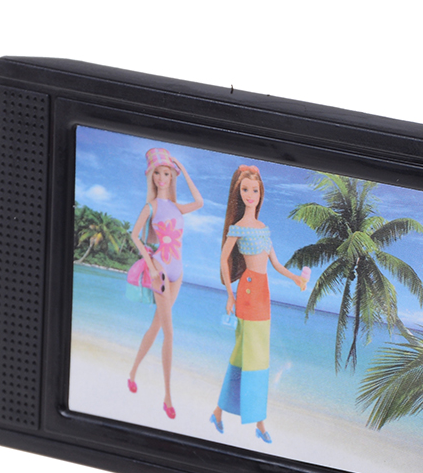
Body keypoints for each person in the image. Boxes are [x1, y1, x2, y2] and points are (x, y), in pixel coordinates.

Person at [210, 165, 306, 443]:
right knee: (256, 358)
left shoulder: (263, 230)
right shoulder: (237, 228)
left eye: (254, 190)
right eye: (245, 190)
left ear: (260, 193)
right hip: (248, 291)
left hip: (264, 294)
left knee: (244, 356)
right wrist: (230, 294)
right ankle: (260, 423)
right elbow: (223, 259)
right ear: (239, 193)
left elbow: (276, 264)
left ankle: (218, 412)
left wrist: (295, 278)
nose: (250, 194)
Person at [127, 148, 204, 419]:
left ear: (172, 177)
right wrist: (150, 267)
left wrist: (183, 168)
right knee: (169, 332)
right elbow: (135, 236)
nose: (162, 177)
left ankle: (132, 372)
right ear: (152, 176)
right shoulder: (151, 207)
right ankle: (168, 397)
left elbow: (199, 202)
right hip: (160, 268)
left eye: (167, 173)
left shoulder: (176, 206)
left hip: (178, 271)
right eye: (158, 173)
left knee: (157, 326)